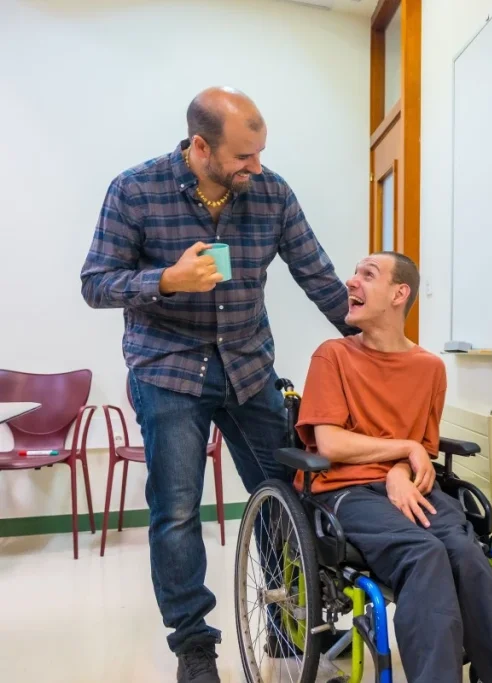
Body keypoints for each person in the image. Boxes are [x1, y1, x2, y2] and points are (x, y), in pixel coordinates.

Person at [80, 86, 358, 683]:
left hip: (249, 368)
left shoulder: (272, 192)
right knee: (176, 512)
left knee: (285, 491)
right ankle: (194, 646)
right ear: (201, 147)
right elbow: (96, 283)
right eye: (243, 158)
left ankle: (287, 623)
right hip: (168, 371)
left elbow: (318, 275)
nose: (256, 169)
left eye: (260, 154)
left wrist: (375, 339)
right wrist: (167, 280)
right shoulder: (135, 190)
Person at [295, 251, 492, 683]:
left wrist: (400, 470)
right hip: (346, 489)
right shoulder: (333, 356)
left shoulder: (429, 368)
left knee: (468, 556)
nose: (351, 282)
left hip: (411, 484)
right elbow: (330, 442)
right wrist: (401, 454)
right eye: (355, 273)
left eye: (367, 274)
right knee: (424, 554)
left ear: (400, 294)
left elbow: (423, 449)